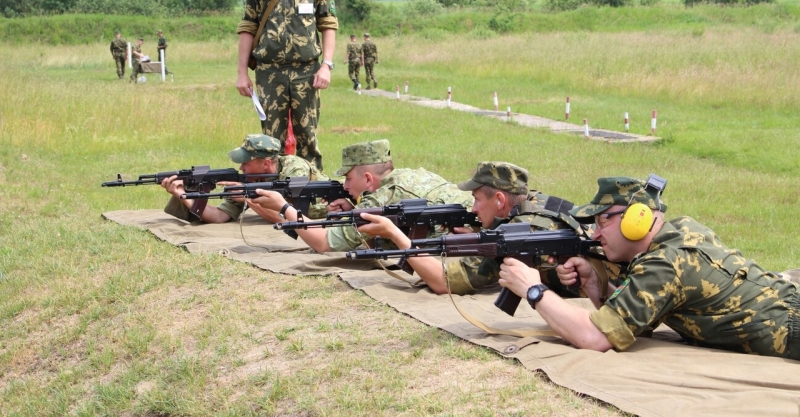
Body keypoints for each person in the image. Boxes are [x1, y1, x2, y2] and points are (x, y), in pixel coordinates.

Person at [497, 176, 800, 360]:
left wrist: (532, 289)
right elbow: (642, 316)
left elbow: (594, 338)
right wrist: (592, 284)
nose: (596, 235)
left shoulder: (665, 264)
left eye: (603, 222)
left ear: (636, 219)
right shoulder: (680, 230)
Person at [357, 161, 592, 295]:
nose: (474, 209)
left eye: (477, 199)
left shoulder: (514, 234)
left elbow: (444, 281)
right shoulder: (536, 202)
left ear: (499, 200)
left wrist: (395, 234)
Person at [235, 0, 338, 172]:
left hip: (307, 72)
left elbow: (328, 24)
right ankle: (274, 194)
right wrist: (241, 73)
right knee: (270, 141)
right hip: (269, 73)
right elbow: (248, 27)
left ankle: (310, 194)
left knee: (308, 138)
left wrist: (326, 65)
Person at [249, 139, 473, 253]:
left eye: (347, 179)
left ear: (368, 179)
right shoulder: (413, 175)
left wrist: (283, 207)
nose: (345, 186)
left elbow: (324, 243)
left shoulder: (381, 198)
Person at [161, 134, 327, 224]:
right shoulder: (250, 179)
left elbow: (286, 217)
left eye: (246, 163)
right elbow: (219, 216)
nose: (241, 168)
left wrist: (248, 199)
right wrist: (183, 196)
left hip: (325, 207)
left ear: (266, 163)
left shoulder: (295, 169)